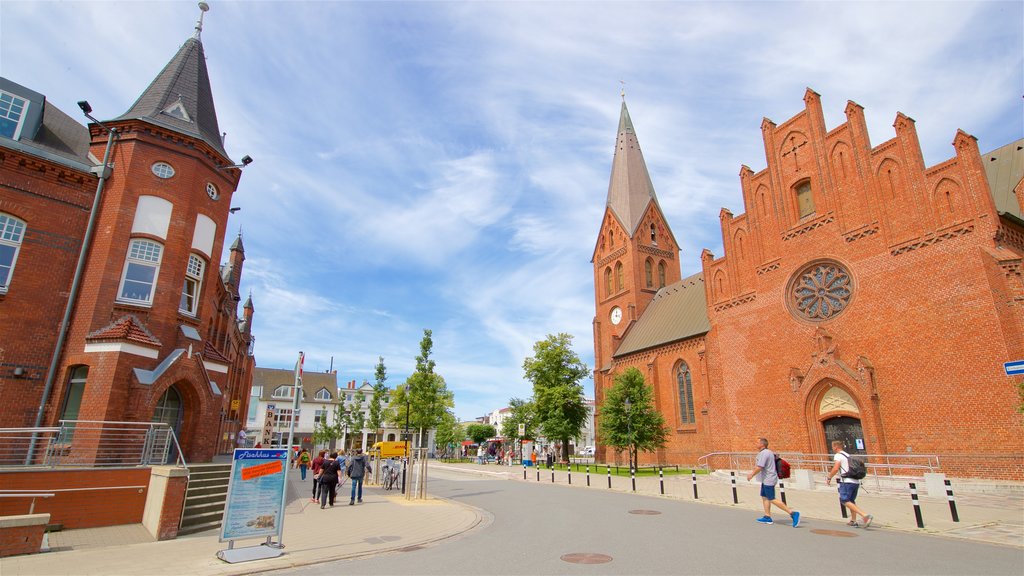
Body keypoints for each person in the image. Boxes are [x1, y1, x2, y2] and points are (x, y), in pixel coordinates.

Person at [746, 437, 800, 527]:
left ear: (762, 444)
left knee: (771, 498)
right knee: (764, 496)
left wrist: (751, 474)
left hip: (768, 479)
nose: (755, 444)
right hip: (766, 479)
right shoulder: (767, 452)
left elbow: (760, 467)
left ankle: (792, 513)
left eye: (757, 442)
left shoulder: (764, 453)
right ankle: (767, 516)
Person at [826, 440, 873, 528]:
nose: (832, 448)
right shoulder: (848, 455)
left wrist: (829, 477)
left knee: (844, 500)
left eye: (833, 447)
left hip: (846, 481)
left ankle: (865, 516)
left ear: (836, 447)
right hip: (855, 481)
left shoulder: (838, 455)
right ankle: (853, 520)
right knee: (851, 501)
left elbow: (836, 468)